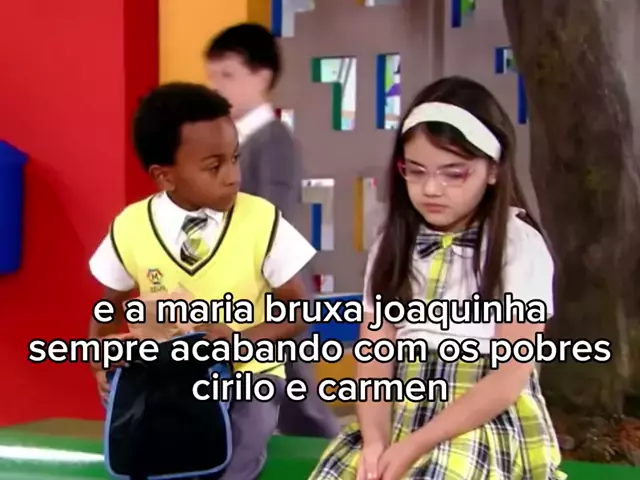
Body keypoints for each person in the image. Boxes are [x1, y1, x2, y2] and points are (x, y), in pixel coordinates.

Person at [309, 76, 565, 480]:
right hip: (402, 408)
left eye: (454, 173)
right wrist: (375, 441)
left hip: (479, 416)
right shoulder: (392, 242)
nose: (431, 188)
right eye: (415, 171)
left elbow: (508, 378)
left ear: (493, 169)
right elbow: (375, 356)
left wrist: (414, 445)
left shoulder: (519, 244)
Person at [88, 82, 316, 480]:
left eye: (235, 158)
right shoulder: (130, 227)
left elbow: (299, 311)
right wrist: (101, 362)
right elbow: (109, 307)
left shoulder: (261, 220)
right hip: (166, 377)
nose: (233, 177)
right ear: (165, 176)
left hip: (249, 375)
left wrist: (239, 340)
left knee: (242, 445)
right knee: (143, 447)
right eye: (214, 166)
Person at [204, 22, 340, 439]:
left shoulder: (273, 139)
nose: (216, 86)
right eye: (212, 76)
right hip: (244, 280)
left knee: (291, 386)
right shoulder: (231, 142)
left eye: (228, 75)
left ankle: (327, 451)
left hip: (275, 281)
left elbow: (273, 213)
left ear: (261, 77)